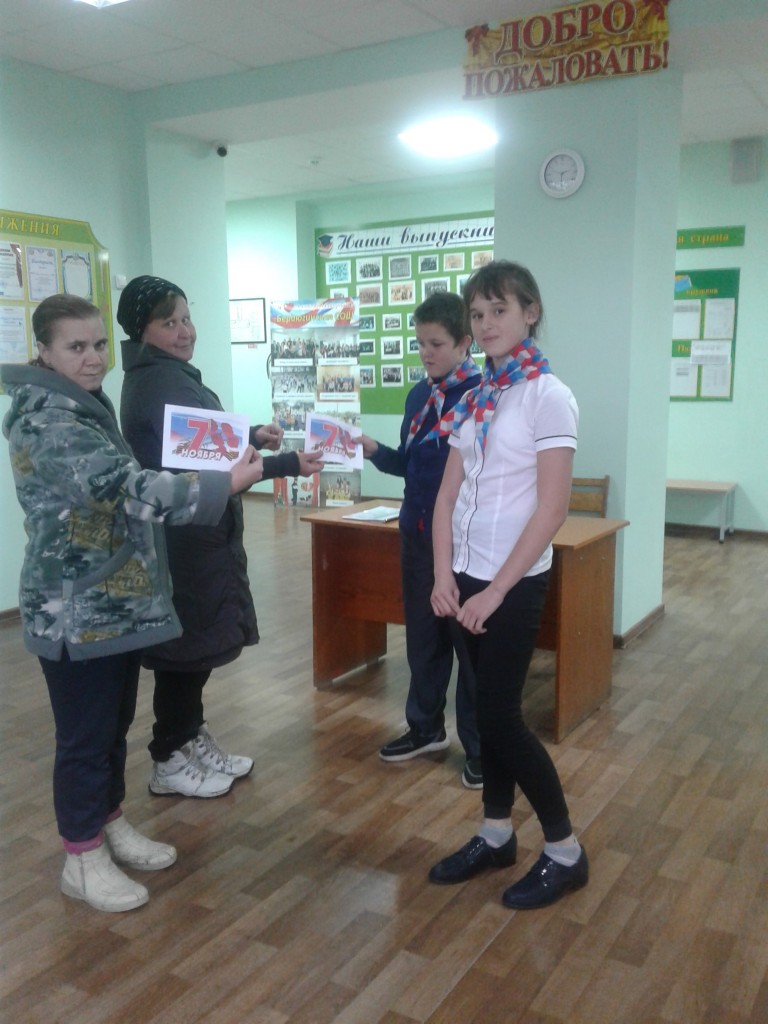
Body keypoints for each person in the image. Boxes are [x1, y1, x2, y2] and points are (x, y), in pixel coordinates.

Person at [1, 294, 264, 913]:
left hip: (113, 603)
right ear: (43, 351)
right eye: (75, 347)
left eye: (98, 345)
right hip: (74, 610)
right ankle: (81, 856)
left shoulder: (84, 405)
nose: (93, 358)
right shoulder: (48, 421)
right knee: (84, 737)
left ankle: (108, 822)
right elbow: (125, 486)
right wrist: (223, 484)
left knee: (113, 727)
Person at [117, 276, 322, 798]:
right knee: (185, 652)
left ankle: (188, 737)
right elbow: (207, 463)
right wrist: (286, 463)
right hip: (184, 537)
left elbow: (199, 442)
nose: (185, 331)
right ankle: (170, 756)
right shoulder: (160, 382)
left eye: (186, 318)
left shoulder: (166, 374)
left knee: (196, 647)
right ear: (142, 331)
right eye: (169, 322)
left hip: (198, 531)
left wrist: (251, 437)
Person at [428, 261, 588, 910]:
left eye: (500, 309)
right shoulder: (475, 397)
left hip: (511, 584)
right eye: (478, 313)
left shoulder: (549, 396)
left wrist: (494, 591)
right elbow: (446, 498)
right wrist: (443, 575)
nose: (487, 322)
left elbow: (552, 509)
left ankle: (566, 851)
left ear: (531, 313)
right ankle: (496, 833)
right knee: (482, 711)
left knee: (500, 718)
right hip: (463, 578)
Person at [358, 292, 483, 787]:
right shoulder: (418, 397)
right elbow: (410, 463)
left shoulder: (482, 397)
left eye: (436, 344)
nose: (426, 354)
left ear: (465, 343)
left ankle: (480, 748)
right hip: (416, 534)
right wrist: (374, 451)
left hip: (465, 544)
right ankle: (426, 728)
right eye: (420, 344)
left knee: (469, 650)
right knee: (424, 641)